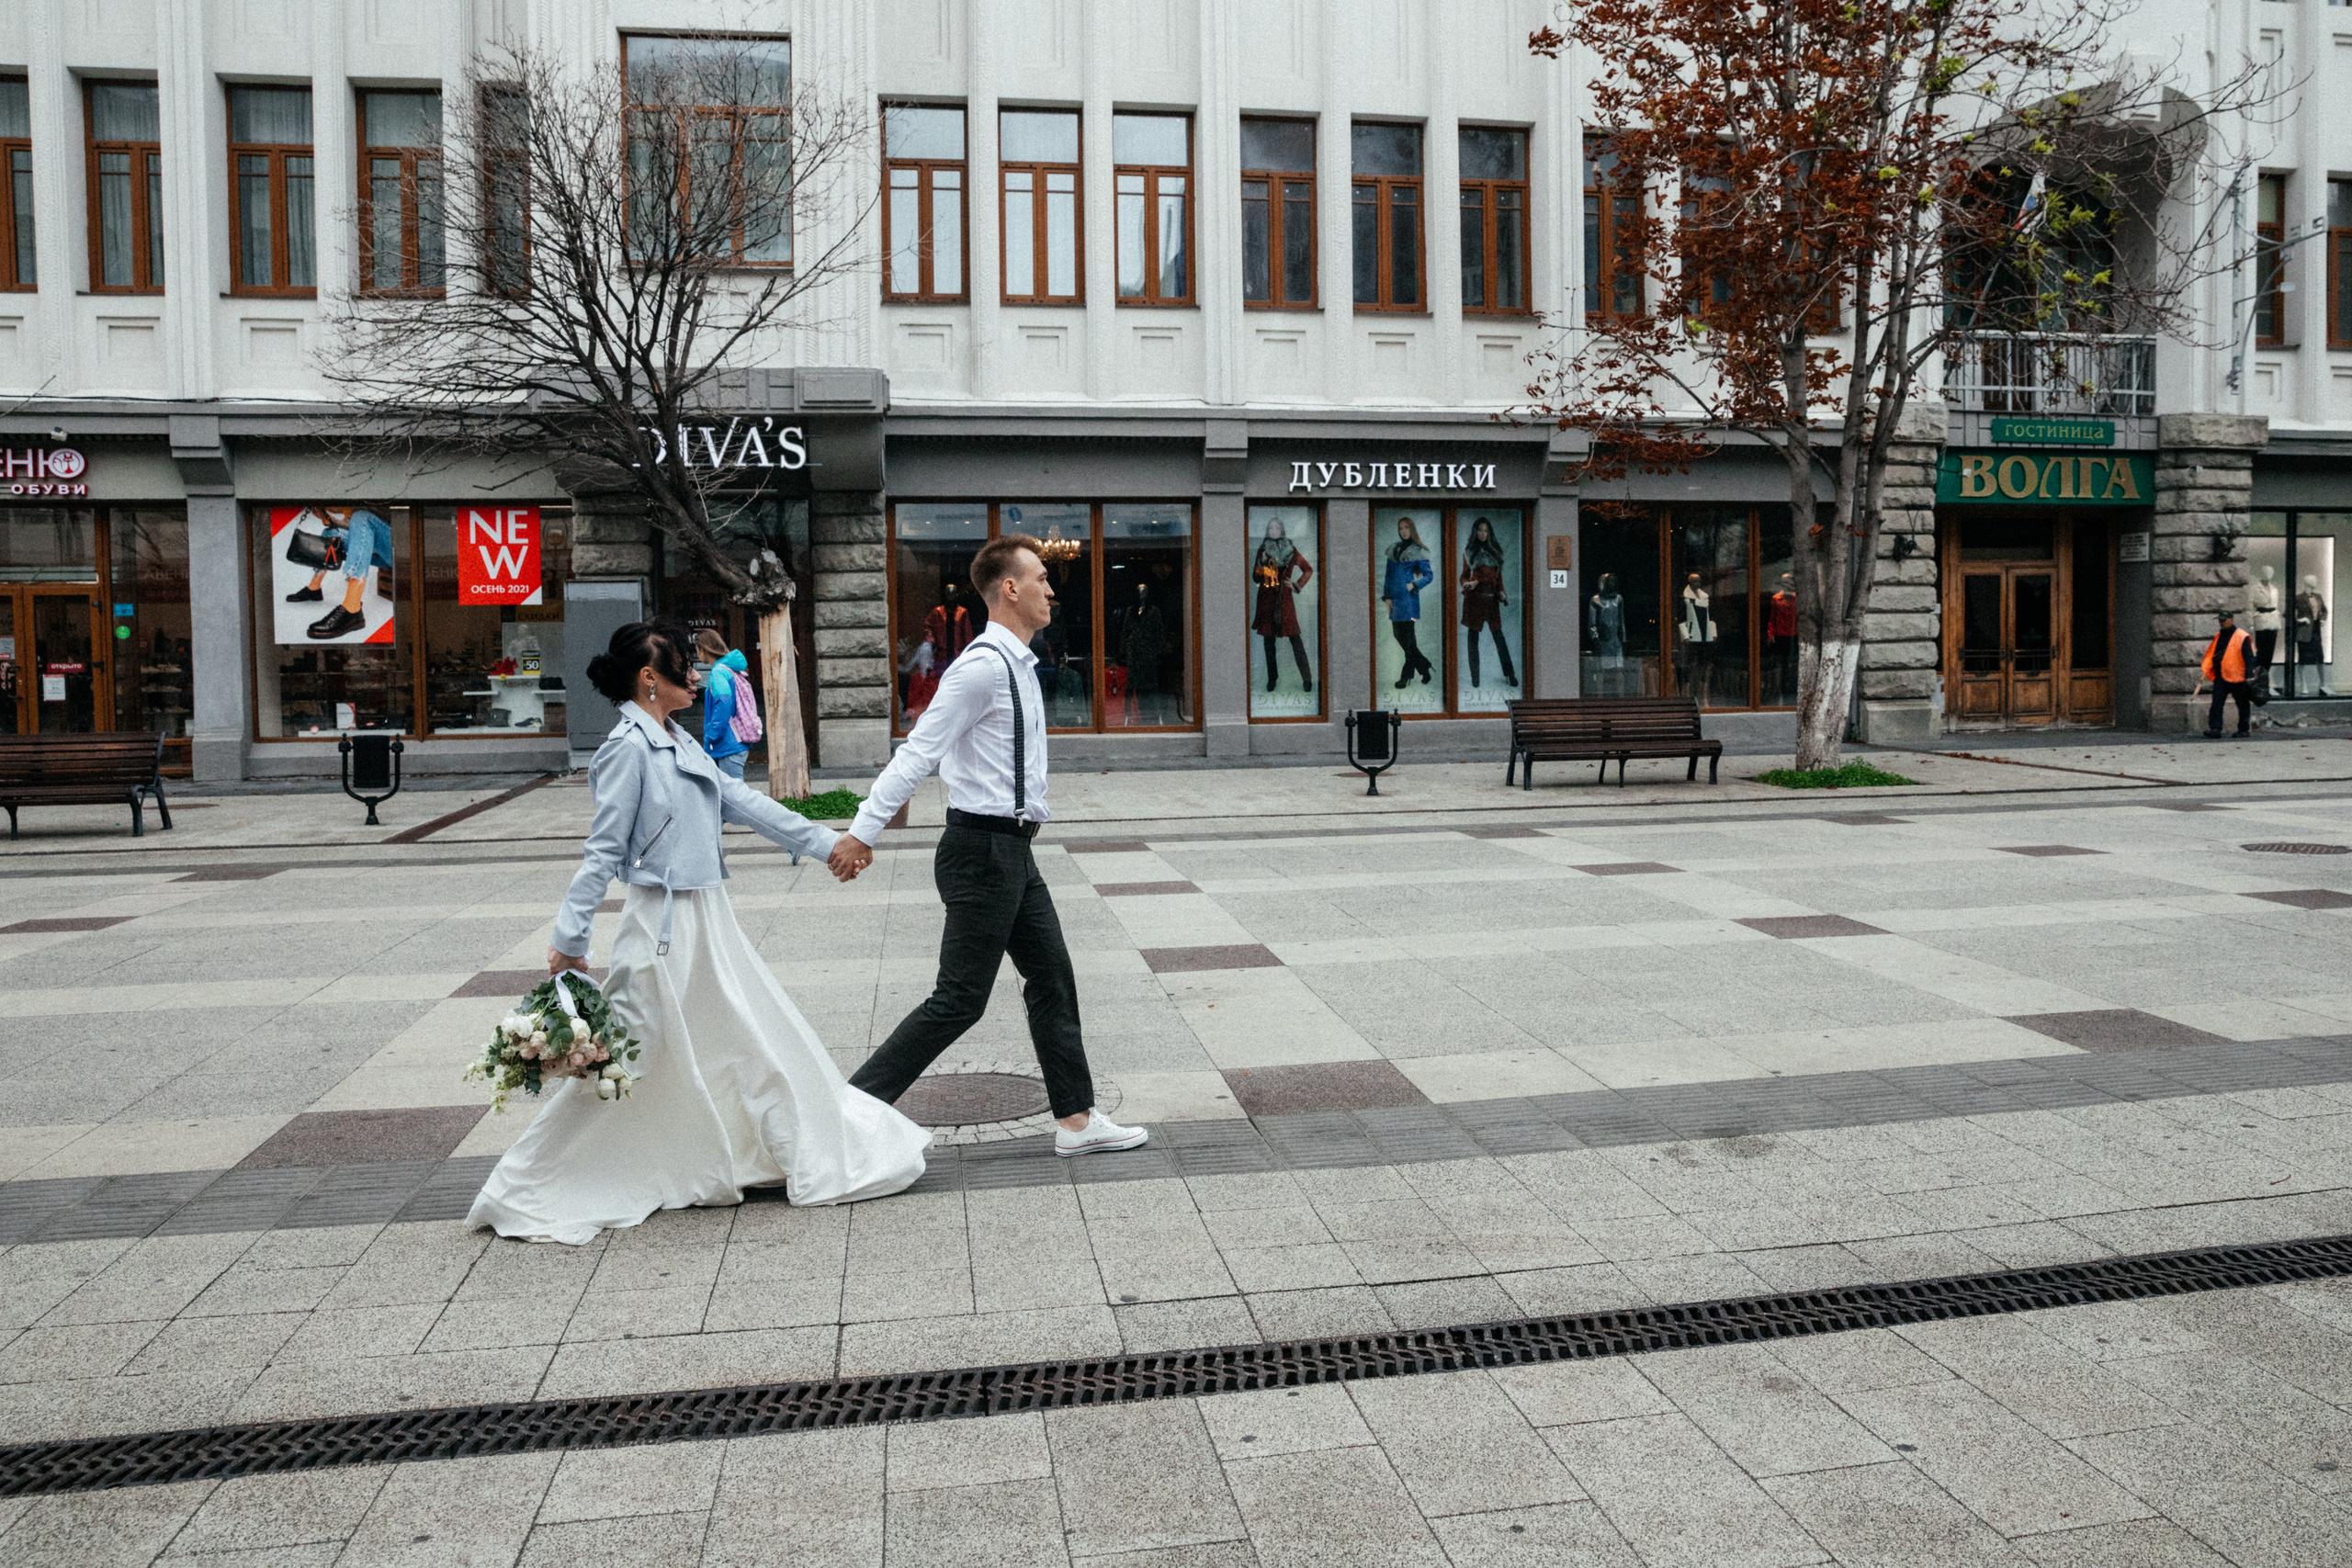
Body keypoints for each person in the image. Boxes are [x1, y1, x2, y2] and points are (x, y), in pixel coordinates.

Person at [469, 620, 928, 1245]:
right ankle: (526, 1183)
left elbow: (743, 804)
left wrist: (829, 844)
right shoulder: (628, 749)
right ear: (648, 679)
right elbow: (601, 852)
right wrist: (570, 939)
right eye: (682, 666)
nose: (695, 675)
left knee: (741, 1035)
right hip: (658, 925)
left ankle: (730, 1152)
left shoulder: (676, 740)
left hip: (707, 920)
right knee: (630, 1052)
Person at [829, 535, 1148, 1158]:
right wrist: (862, 830)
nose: (1052, 589)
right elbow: (919, 750)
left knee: (1052, 977)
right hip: (981, 850)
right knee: (958, 1002)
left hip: (1013, 850)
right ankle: (847, 1110)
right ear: (1010, 588)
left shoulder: (1020, 664)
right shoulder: (980, 668)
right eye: (1040, 578)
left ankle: (1076, 1120)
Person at [287, 505, 396, 640]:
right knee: (331, 534)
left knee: (361, 516)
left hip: (397, 547)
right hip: (377, 549)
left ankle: (352, 609)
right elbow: (353, 527)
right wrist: (327, 518)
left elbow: (364, 521)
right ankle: (314, 589)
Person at [1252, 517, 1316, 695]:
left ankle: (1307, 678)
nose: (1273, 530)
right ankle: (1272, 678)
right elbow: (1256, 578)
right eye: (1270, 527)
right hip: (1266, 600)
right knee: (1268, 643)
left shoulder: (1291, 550)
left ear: (1282, 530)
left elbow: (1308, 569)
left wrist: (1296, 584)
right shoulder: (1262, 550)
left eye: (1277, 527)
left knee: (1296, 640)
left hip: (1285, 601)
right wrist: (1261, 563)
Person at [1458, 515, 1517, 689]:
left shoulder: (1496, 552)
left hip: (1491, 600)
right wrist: (1467, 584)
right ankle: (1475, 678)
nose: (1483, 533)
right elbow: (1463, 577)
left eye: (1485, 530)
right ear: (1475, 532)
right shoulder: (1469, 552)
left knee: (1499, 637)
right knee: (1472, 639)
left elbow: (1499, 578)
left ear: (1489, 533)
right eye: (1480, 530)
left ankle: (1510, 674)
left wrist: (1501, 592)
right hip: (1474, 599)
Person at [695, 628, 757, 781]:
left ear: (703, 649)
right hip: (734, 742)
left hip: (727, 744)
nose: (696, 654)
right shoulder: (730, 669)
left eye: (697, 649)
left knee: (735, 796)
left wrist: (711, 735)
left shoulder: (718, 673)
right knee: (730, 795)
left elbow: (723, 703)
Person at [1382, 517, 1436, 688]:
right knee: (1398, 635)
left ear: (1412, 529)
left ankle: (1406, 676)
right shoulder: (1394, 550)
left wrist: (1415, 584)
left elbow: (1429, 576)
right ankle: (1424, 666)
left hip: (1409, 601)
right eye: (1401, 528)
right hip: (1395, 600)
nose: (1404, 531)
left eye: (1406, 528)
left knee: (1410, 640)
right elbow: (1388, 575)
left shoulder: (1418, 552)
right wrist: (1387, 597)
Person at [2199, 608, 2258, 740]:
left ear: (2231, 620)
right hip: (2222, 675)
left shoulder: (2241, 636)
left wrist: (2249, 673)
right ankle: (2215, 728)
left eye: (2224, 620)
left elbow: (2249, 656)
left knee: (2242, 704)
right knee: (2217, 703)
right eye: (2220, 620)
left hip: (2238, 676)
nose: (2221, 623)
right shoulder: (2219, 635)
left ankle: (2243, 729)